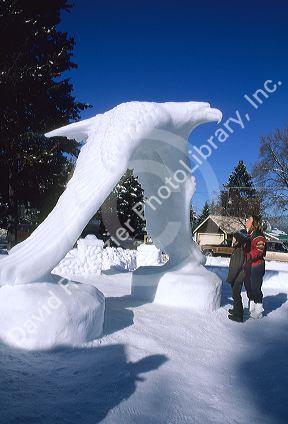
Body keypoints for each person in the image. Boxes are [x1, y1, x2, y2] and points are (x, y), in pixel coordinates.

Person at [244, 215, 266, 319]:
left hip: (257, 266)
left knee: (255, 287)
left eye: (249, 219)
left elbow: (259, 251)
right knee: (248, 287)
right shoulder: (248, 234)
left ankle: (258, 310)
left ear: (254, 223)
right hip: (248, 265)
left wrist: (248, 255)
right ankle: (251, 309)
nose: (246, 220)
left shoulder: (259, 236)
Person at [227, 230, 248, 323]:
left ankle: (239, 315)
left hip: (238, 277)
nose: (232, 240)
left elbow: (236, 266)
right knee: (235, 294)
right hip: (237, 276)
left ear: (238, 240)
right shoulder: (238, 248)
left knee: (236, 295)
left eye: (234, 239)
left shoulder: (239, 250)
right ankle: (236, 310)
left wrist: (231, 278)